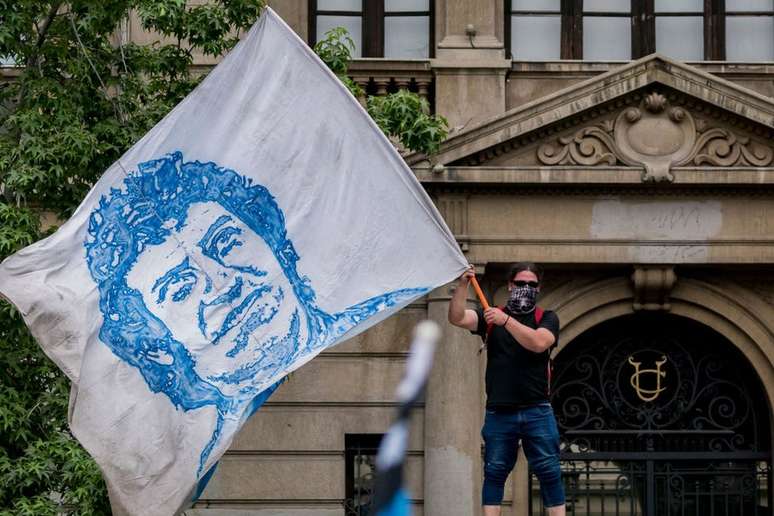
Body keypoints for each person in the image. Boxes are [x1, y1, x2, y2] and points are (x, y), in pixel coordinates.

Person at [84, 151, 426, 475]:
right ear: (157, 347)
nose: (223, 283)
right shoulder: (191, 471)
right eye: (181, 287)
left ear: (273, 238)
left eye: (227, 242)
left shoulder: (390, 303)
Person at [448, 263, 566, 515]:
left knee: (549, 472)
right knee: (494, 471)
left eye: (532, 285)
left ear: (539, 288)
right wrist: (462, 285)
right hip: (500, 412)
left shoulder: (546, 318)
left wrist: (507, 320)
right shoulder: (490, 318)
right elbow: (457, 317)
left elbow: (538, 343)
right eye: (521, 283)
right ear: (510, 285)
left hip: (537, 410)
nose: (526, 288)